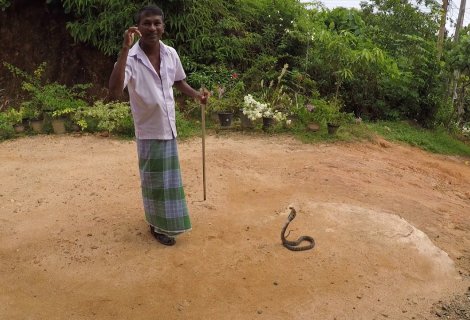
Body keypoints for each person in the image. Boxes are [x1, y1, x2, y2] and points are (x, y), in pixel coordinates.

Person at [108, 4, 208, 246]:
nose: (152, 27)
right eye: (147, 23)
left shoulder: (170, 53)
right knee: (154, 182)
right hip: (148, 130)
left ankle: (167, 221)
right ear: (138, 28)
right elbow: (113, 92)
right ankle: (157, 225)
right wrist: (123, 49)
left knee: (170, 181)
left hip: (169, 127)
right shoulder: (130, 58)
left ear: (163, 26)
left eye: (157, 23)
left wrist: (196, 95)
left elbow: (179, 82)